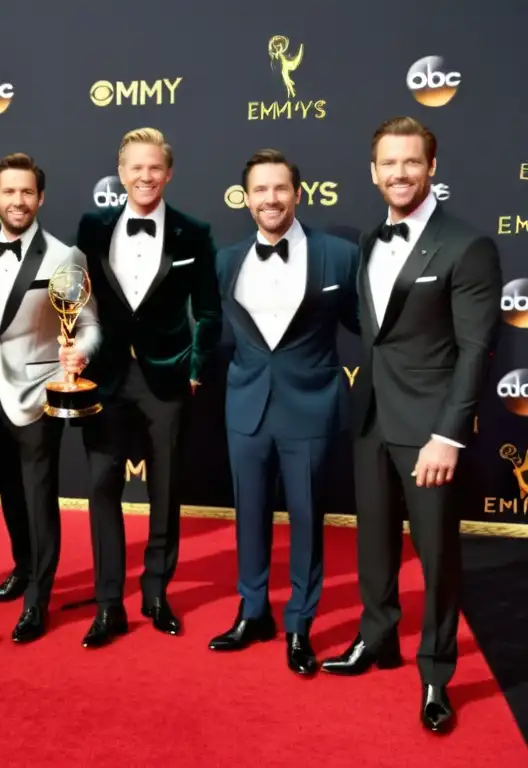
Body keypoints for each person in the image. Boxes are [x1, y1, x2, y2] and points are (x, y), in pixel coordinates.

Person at [321, 117, 502, 735]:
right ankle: (377, 639)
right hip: (370, 418)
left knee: (438, 557)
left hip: (429, 431)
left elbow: (477, 349)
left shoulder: (466, 245)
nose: (399, 174)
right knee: (372, 544)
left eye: (411, 163)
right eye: (388, 164)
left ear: (432, 168)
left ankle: (436, 673)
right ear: (373, 172)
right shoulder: (371, 238)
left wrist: (449, 435)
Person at [208, 150, 359, 675]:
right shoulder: (226, 260)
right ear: (246, 198)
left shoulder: (339, 256)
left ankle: (299, 623)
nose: (270, 199)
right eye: (260, 190)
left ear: (298, 193)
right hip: (245, 408)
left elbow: (371, 328)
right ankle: (253, 612)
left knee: (307, 523)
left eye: (280, 189)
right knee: (248, 517)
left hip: (311, 408)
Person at [72, 127, 222, 648]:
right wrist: (77, 350)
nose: (145, 176)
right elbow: (79, 300)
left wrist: (197, 366)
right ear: (121, 172)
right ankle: (109, 603)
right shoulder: (92, 228)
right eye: (136, 167)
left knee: (166, 488)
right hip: (106, 376)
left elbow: (207, 311)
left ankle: (156, 591)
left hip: (167, 374)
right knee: (100, 488)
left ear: (169, 172)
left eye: (154, 167)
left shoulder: (193, 232)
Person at [0, 153, 100, 642]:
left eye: (27, 192)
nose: (18, 201)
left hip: (37, 392)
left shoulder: (63, 255)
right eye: (9, 192)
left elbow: (88, 327)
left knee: (39, 496)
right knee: (9, 492)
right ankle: (22, 569)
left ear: (40, 197)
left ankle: (39, 598)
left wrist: (80, 355)